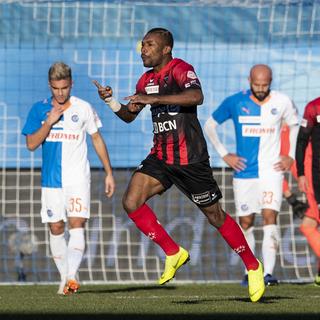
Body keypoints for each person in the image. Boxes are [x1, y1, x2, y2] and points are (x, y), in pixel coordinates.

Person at [93, 27, 265, 302]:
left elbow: (196, 97)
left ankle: (253, 266)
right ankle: (174, 252)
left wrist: (154, 99)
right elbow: (129, 115)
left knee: (215, 216)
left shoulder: (181, 69)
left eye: (149, 45)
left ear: (165, 49)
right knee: (131, 201)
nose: (143, 50)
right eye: (142, 45)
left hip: (191, 159)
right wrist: (111, 101)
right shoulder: (146, 79)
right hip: (161, 157)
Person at [22, 62, 115, 295]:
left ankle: (71, 276)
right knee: (56, 227)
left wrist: (109, 173)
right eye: (56, 88)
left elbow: (96, 140)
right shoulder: (39, 109)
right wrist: (49, 122)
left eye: (64, 88)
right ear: (50, 86)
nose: (60, 93)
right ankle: (65, 277)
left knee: (76, 223)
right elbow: (32, 144)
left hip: (78, 179)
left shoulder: (83, 108)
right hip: (51, 181)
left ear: (71, 84)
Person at [204, 64, 299, 286]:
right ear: (249, 80)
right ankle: (251, 269)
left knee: (269, 217)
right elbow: (209, 125)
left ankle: (269, 274)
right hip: (244, 173)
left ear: (271, 81)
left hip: (271, 171)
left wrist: (290, 155)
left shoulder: (282, 101)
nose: (260, 88)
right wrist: (224, 154)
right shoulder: (235, 101)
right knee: (246, 222)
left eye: (265, 85)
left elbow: (295, 125)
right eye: (256, 84)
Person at [296, 97, 320, 285]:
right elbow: (302, 140)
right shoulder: (313, 107)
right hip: (318, 175)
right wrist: (302, 174)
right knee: (310, 225)